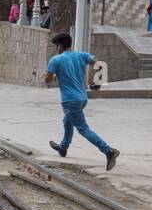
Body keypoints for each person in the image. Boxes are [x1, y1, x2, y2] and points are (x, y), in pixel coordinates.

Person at [43, 33, 119, 171]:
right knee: (67, 121)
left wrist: (54, 75)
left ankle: (108, 151)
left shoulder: (56, 59)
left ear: (59, 46)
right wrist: (99, 81)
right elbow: (101, 64)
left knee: (83, 129)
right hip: (83, 98)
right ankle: (63, 148)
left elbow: (47, 80)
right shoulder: (82, 55)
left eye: (56, 46)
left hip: (69, 100)